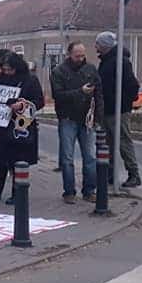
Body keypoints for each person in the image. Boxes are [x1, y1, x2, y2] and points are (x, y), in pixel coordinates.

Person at [0, 52, 45, 204]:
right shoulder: (1, 79)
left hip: (20, 127)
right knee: (0, 161)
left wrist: (22, 105)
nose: (7, 72)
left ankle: (17, 192)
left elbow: (39, 101)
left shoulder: (30, 80)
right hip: (1, 126)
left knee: (17, 161)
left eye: (9, 70)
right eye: (4, 69)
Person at [51, 41, 104, 204]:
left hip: (87, 118)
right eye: (77, 56)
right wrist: (79, 92)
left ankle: (89, 190)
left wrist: (98, 118)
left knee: (90, 157)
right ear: (69, 55)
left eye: (83, 55)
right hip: (67, 117)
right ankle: (69, 191)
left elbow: (99, 95)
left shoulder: (91, 69)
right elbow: (58, 95)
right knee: (67, 158)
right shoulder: (59, 71)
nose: (80, 58)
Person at [96, 31, 142, 188]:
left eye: (98, 44)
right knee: (107, 144)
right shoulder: (106, 61)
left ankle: (134, 175)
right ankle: (109, 174)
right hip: (107, 110)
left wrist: (123, 103)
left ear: (105, 46)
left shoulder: (121, 62)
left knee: (123, 141)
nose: (96, 47)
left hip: (118, 110)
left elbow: (132, 85)